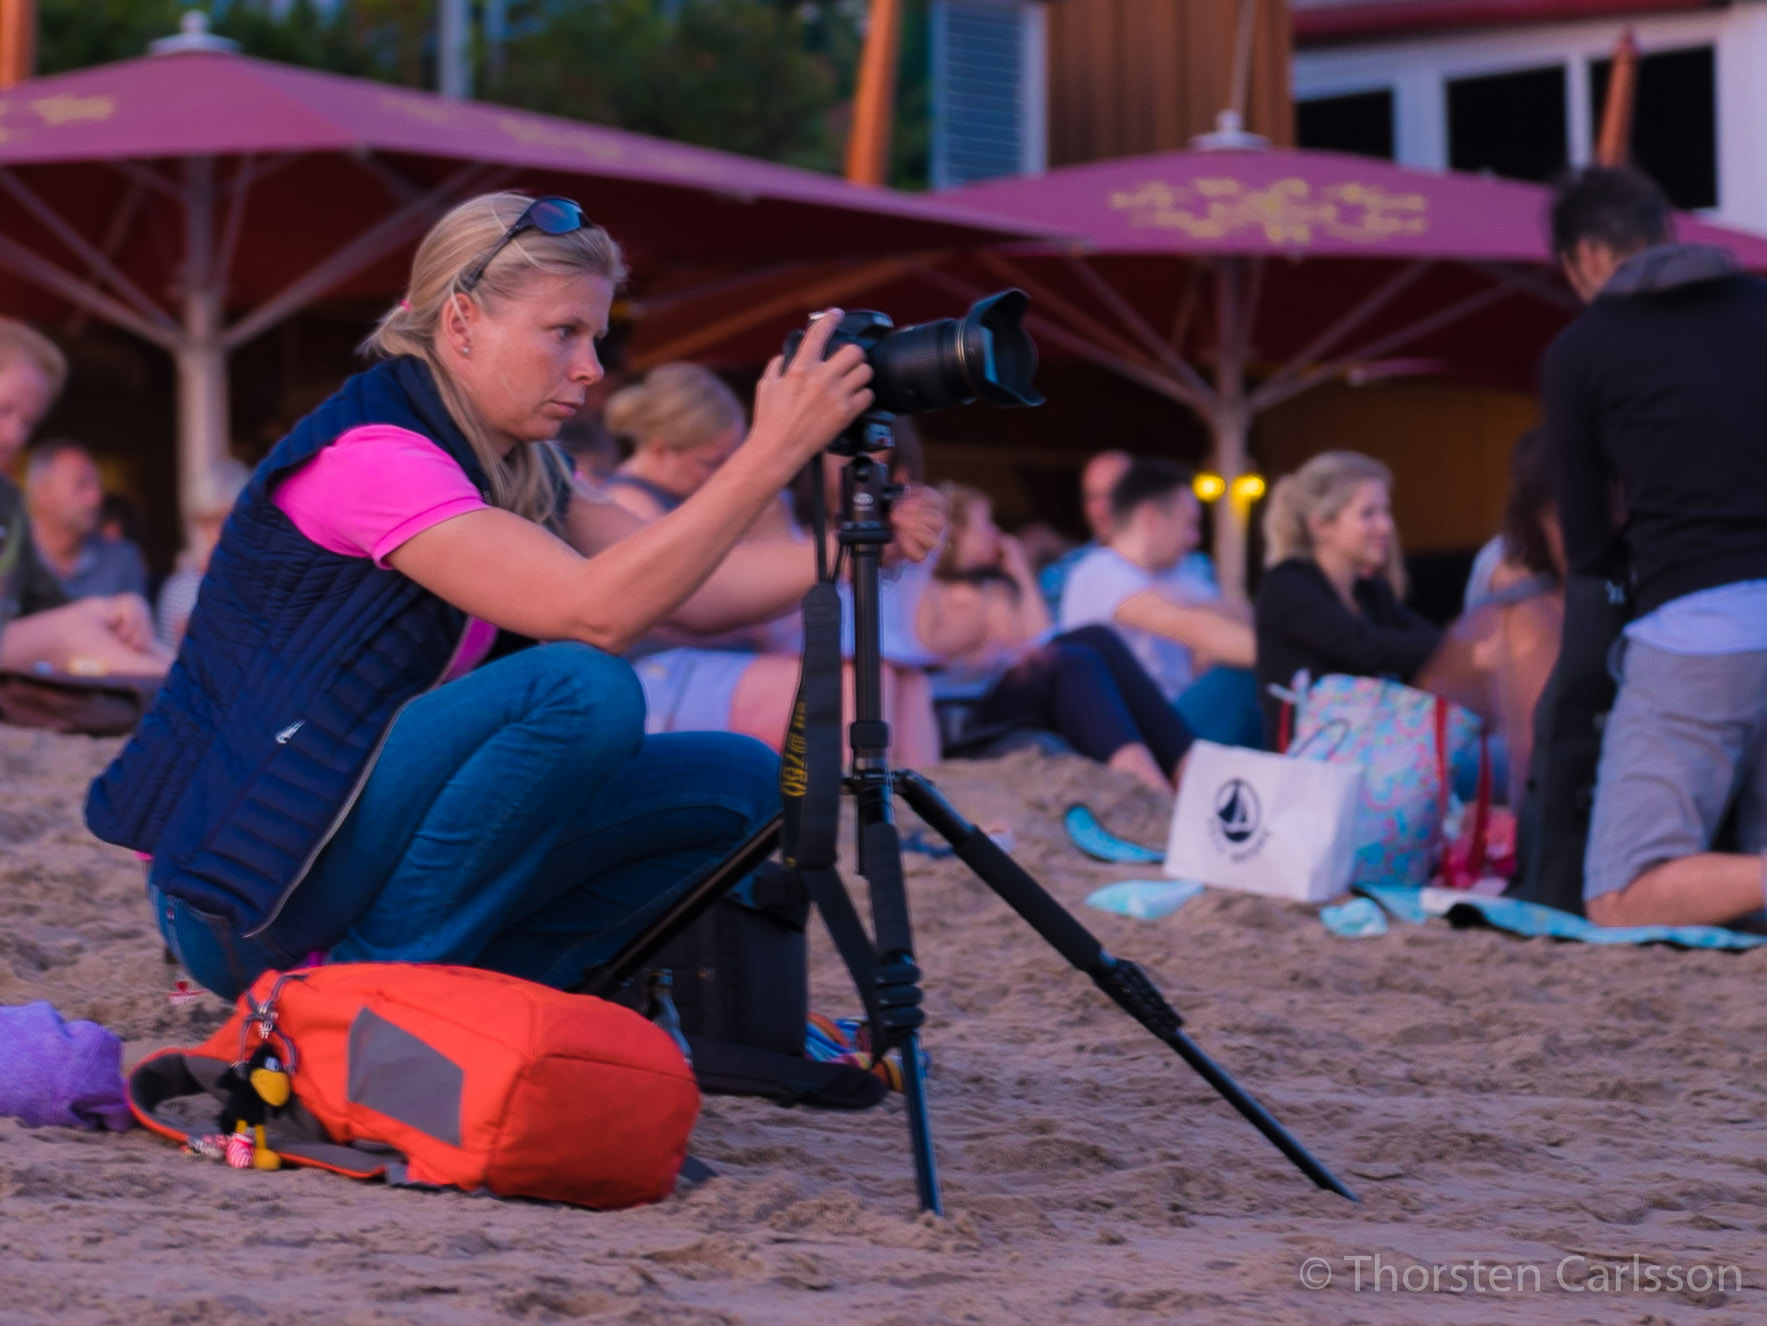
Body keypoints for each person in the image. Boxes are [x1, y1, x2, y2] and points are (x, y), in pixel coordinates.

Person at [84, 191, 904, 1003]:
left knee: (744, 783)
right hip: (247, 892)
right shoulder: (374, 456)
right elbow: (596, 610)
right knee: (581, 689)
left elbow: (693, 592)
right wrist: (770, 452)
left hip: (358, 840)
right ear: (462, 322)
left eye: (595, 338)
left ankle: (494, 991)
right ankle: (370, 997)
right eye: (563, 333)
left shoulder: (523, 464)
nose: (590, 368)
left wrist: (849, 543)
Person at [1543, 167, 1767, 929]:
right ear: (1666, 231)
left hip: (1693, 632)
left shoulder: (1582, 349)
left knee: (1621, 893)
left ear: (1580, 259)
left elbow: (1585, 539)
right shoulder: (1760, 303)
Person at [917, 482, 1192, 792]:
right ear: (954, 533)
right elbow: (945, 654)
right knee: (1074, 662)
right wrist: (984, 618)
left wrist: (1019, 569)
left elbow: (1041, 638)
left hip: (1005, 698)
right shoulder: (930, 588)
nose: (997, 535)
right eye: (986, 524)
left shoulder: (993, 588)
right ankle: (1153, 792)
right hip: (970, 718)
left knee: (1095, 637)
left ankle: (1189, 773)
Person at [0, 320, 168, 677]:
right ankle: (197, 701)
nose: (14, 435)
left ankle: (211, 693)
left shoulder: (9, 502)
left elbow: (43, 602)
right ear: (42, 493)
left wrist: (108, 608)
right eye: (4, 409)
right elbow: (57, 627)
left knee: (94, 622)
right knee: (74, 629)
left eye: (28, 423)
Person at [1058, 456, 1259, 745]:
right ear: (1151, 518)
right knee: (1241, 677)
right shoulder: (1098, 572)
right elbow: (1197, 629)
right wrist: (1290, 657)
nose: (1194, 538)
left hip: (1174, 719)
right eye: (1188, 524)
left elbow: (1238, 617)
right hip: (1132, 734)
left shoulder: (1177, 572)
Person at [1253, 451, 1441, 746]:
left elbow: (1427, 639)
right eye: (1368, 513)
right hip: (1318, 768)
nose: (1385, 526)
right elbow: (1365, 646)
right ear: (1320, 525)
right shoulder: (1288, 585)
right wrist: (1472, 652)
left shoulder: (1369, 592)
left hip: (1375, 756)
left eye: (1385, 511)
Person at [25, 439, 149, 600]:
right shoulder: (8, 562)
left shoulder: (122, 560)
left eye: (97, 486)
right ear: (42, 492)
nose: (96, 498)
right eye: (81, 485)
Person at [155, 457, 250, 649]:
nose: (217, 532)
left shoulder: (266, 582)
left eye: (226, 518)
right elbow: (167, 665)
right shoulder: (178, 589)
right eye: (208, 522)